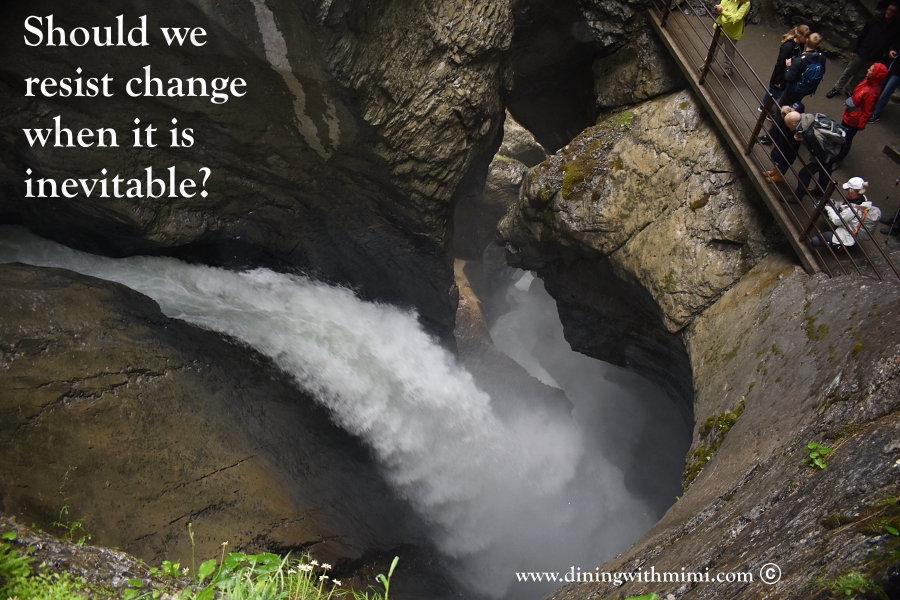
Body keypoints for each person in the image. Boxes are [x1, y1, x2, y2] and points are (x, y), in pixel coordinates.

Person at [826, 3, 900, 98]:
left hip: (875, 55)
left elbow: (894, 43)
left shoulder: (895, 28)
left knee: (860, 75)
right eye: (889, 9)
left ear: (896, 13)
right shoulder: (876, 19)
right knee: (849, 71)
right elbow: (863, 33)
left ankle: (850, 89)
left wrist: (889, 51)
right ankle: (837, 87)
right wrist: (855, 48)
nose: (889, 12)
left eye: (892, 11)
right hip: (863, 51)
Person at [832, 62, 888, 167]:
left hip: (854, 119)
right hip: (850, 114)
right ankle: (836, 148)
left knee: (847, 139)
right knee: (842, 132)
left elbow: (867, 111)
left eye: (871, 70)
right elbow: (857, 95)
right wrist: (849, 101)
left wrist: (860, 124)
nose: (868, 70)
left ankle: (839, 158)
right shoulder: (867, 82)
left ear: (876, 75)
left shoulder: (872, 92)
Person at [811, 177, 882, 247]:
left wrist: (828, 208)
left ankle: (839, 246)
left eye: (848, 189)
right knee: (832, 207)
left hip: (848, 232)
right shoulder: (863, 198)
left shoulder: (852, 209)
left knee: (816, 240)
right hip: (851, 222)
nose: (847, 191)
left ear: (852, 191)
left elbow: (837, 220)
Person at [793, 112, 846, 200]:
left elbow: (819, 153)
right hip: (836, 148)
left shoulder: (810, 135)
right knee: (825, 170)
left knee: (804, 173)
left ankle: (798, 197)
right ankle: (819, 191)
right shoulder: (811, 118)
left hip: (828, 153)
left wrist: (803, 140)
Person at [762, 25, 810, 108]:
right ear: (799, 36)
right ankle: (764, 107)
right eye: (805, 37)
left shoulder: (800, 45)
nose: (807, 39)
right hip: (781, 75)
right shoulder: (788, 47)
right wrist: (778, 80)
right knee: (775, 92)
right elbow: (780, 64)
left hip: (787, 72)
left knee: (777, 92)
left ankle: (765, 106)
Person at [781, 34, 826, 107]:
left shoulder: (800, 60)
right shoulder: (821, 57)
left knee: (783, 107)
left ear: (807, 40)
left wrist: (788, 67)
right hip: (805, 88)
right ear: (818, 44)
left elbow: (789, 77)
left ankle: (781, 118)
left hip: (793, 89)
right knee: (795, 104)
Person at [713, 0, 752, 77]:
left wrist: (722, 11)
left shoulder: (746, 4)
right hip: (720, 27)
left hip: (732, 32)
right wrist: (719, 10)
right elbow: (721, 6)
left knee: (729, 51)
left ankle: (728, 68)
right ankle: (707, 63)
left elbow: (736, 18)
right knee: (713, 47)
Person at [764, 108, 802, 183]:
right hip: (783, 142)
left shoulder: (798, 128)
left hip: (791, 147)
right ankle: (777, 170)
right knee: (780, 157)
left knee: (786, 161)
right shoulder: (786, 121)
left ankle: (780, 175)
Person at [869, 43, 900, 123]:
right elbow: (894, 45)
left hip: (897, 74)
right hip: (889, 67)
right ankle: (869, 106)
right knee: (879, 88)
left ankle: (877, 113)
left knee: (886, 93)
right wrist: (892, 50)